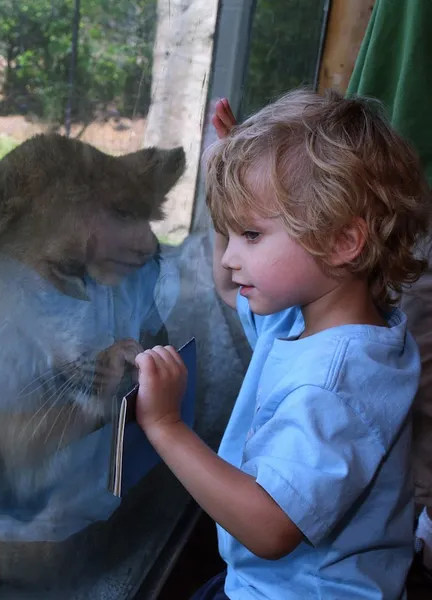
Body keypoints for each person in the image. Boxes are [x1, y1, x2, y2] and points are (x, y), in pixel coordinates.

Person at [133, 90, 432, 599]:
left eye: (250, 234)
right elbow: (231, 289)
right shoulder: (317, 315)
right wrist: (229, 189)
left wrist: (165, 427)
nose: (229, 257)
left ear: (342, 241)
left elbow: (269, 526)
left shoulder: (336, 383)